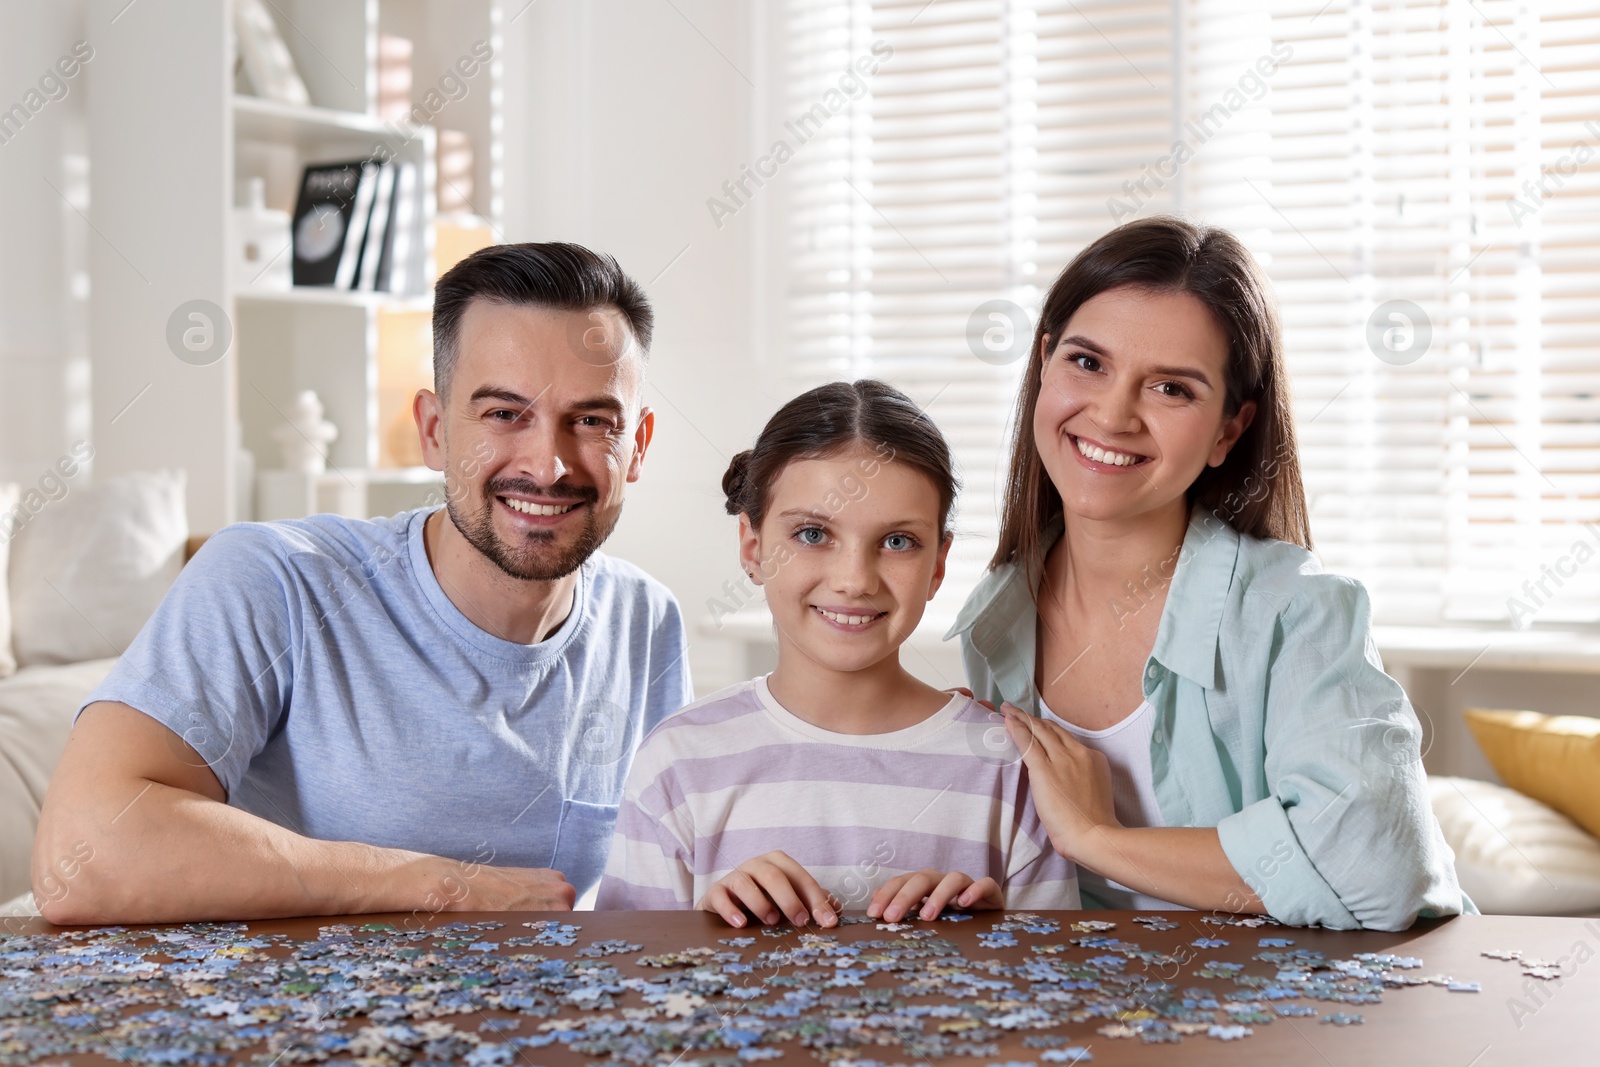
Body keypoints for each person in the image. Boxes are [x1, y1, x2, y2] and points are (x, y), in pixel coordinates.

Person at [32, 242, 693, 924]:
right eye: (503, 413)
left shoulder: (646, 622)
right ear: (435, 431)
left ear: (636, 446)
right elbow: (81, 853)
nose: (548, 465)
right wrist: (442, 884)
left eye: (590, 421)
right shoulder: (271, 579)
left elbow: (671, 881)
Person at [949, 216, 1470, 931]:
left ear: (1229, 428)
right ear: (1044, 362)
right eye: (1087, 362)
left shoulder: (1299, 611)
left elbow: (1379, 869)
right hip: (1102, 1019)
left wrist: (1099, 839)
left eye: (1171, 389)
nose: (1111, 413)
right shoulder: (993, 617)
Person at [596, 380, 1079, 927]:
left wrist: (988, 934)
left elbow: (1052, 987)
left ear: (938, 566)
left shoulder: (1009, 767)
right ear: (752, 548)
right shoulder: (677, 761)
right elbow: (631, 977)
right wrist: (705, 930)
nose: (854, 580)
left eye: (898, 541)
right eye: (812, 533)